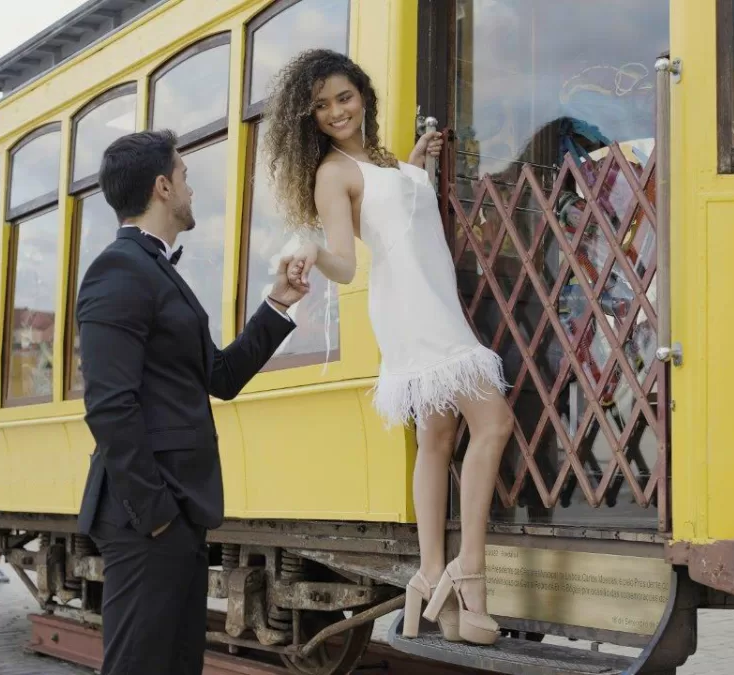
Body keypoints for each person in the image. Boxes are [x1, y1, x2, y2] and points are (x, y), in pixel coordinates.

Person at [262, 49, 514, 646]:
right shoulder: (332, 173)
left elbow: (395, 201)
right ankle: (468, 570)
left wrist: (414, 163)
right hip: (413, 308)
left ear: (363, 96)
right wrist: (309, 250)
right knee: (494, 421)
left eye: (344, 97)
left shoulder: (378, 160)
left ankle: (430, 572)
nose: (335, 112)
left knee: (438, 436)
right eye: (321, 106)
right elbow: (347, 264)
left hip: (432, 298)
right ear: (309, 119)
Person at [74, 129, 308, 675]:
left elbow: (219, 377)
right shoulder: (118, 270)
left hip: (178, 514)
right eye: (185, 177)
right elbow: (110, 406)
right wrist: (155, 514)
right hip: (147, 517)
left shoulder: (155, 271)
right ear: (162, 187)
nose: (191, 191)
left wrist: (278, 303)